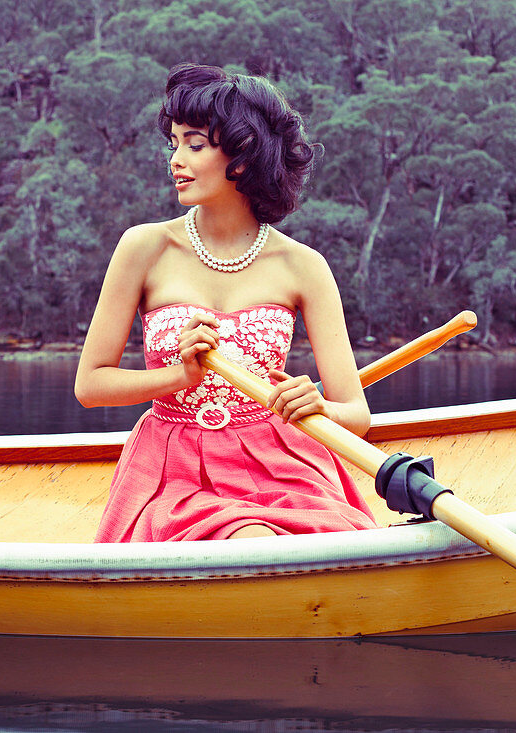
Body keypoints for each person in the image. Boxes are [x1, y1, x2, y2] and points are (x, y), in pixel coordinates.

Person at [75, 62, 379, 542]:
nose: (176, 159)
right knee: (249, 540)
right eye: (173, 144)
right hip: (174, 470)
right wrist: (181, 375)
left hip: (281, 464)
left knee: (307, 545)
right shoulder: (143, 247)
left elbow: (355, 416)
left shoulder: (304, 266)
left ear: (243, 154)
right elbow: (90, 386)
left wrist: (314, 404)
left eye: (194, 145)